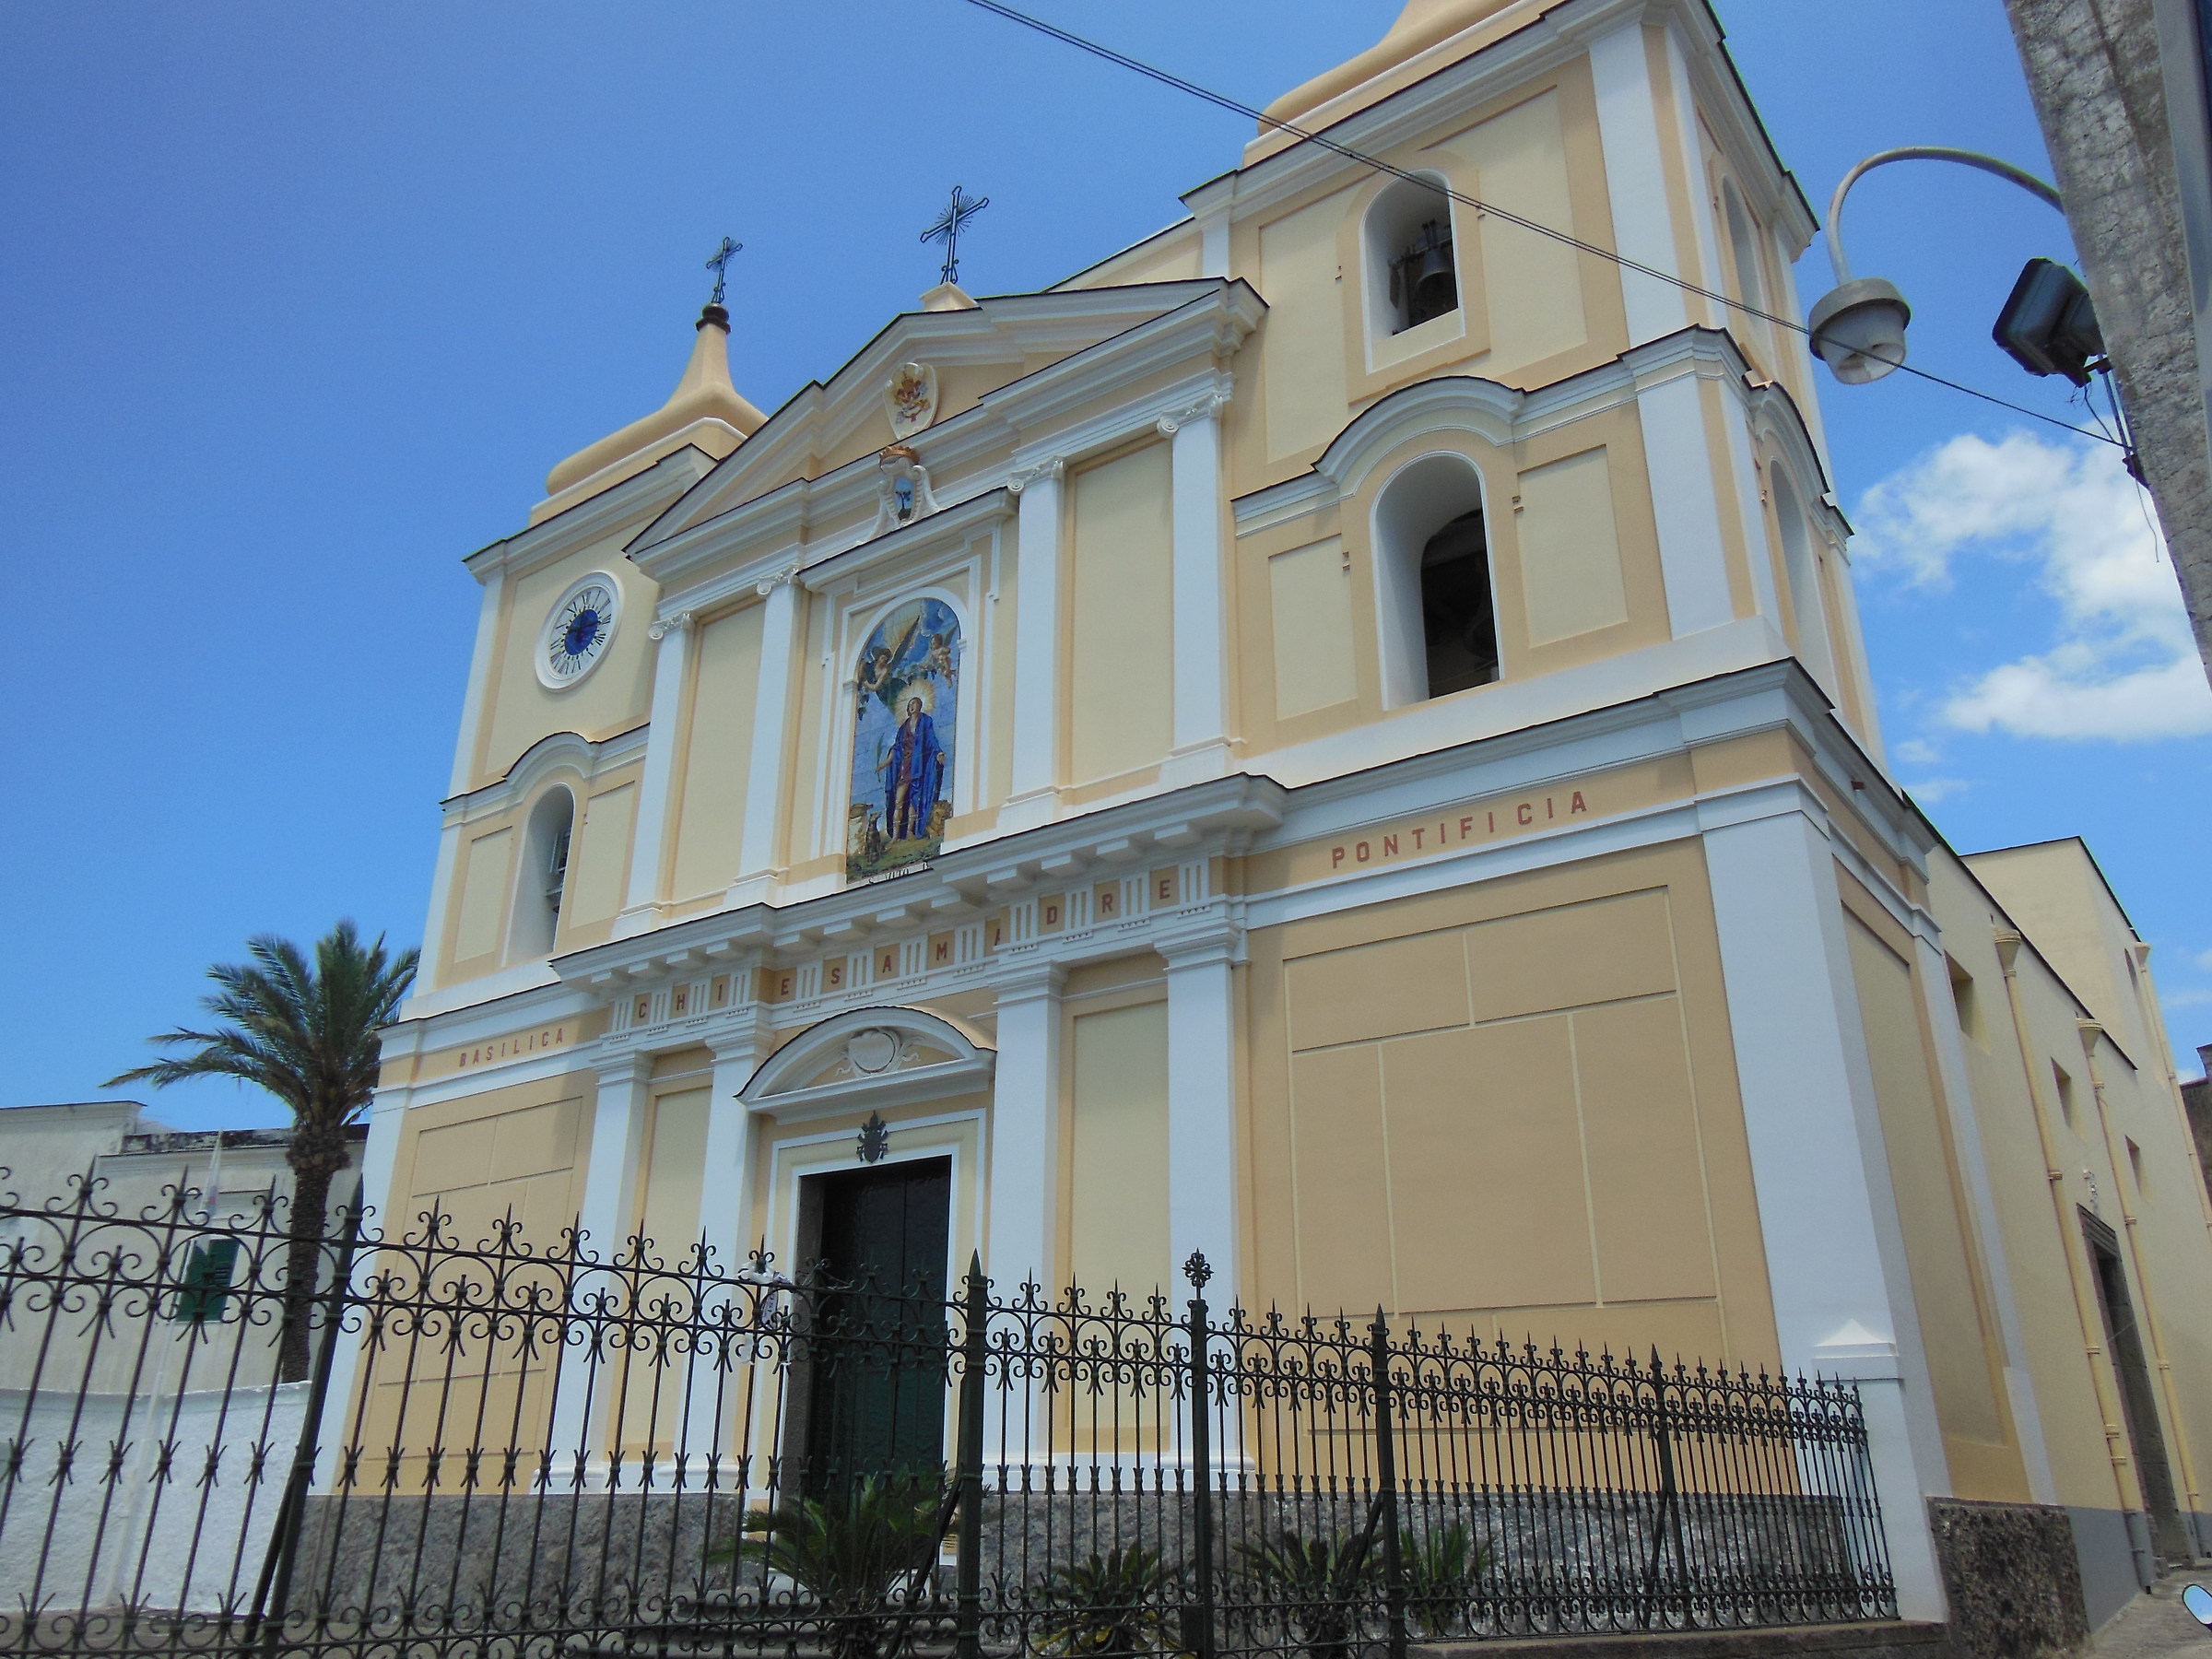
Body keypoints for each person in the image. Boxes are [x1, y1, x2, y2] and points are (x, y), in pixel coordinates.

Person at [880, 696, 945, 841]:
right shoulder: (904, 727)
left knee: (914, 799)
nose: (911, 706)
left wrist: (938, 751)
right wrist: (886, 763)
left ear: (920, 705)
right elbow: (897, 747)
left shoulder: (926, 721)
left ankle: (910, 831)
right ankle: (895, 836)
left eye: (914, 704)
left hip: (917, 765)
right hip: (905, 765)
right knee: (898, 801)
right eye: (909, 704)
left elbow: (931, 738)